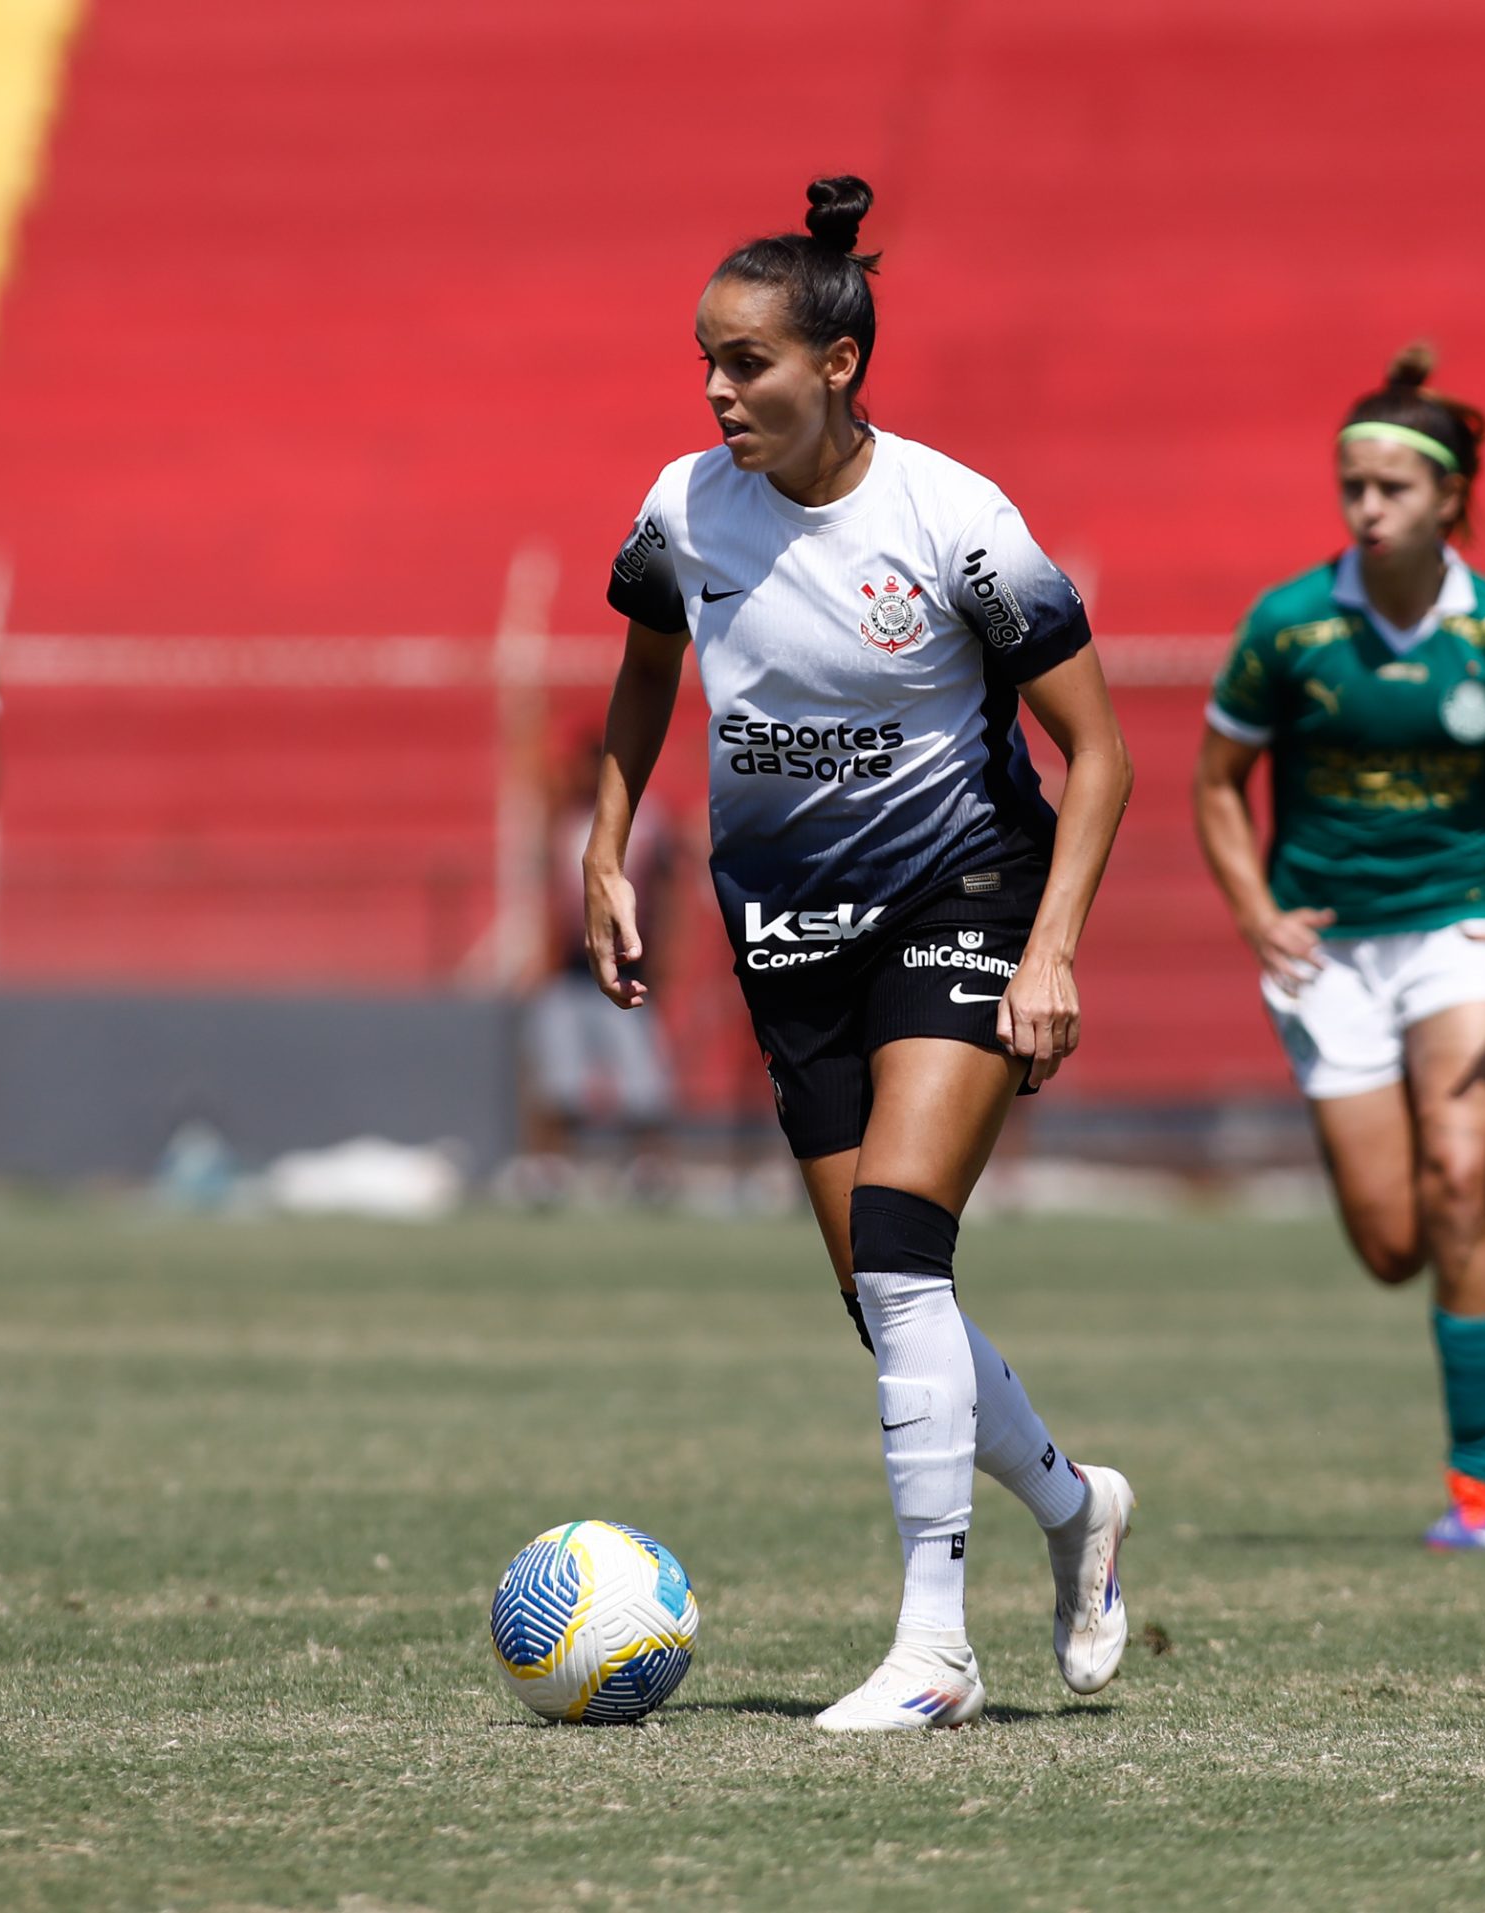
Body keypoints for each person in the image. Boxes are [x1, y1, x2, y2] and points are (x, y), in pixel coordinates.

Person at [589, 178, 1137, 1731]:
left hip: (962, 894)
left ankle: (934, 1653)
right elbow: (641, 676)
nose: (715, 389)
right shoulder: (683, 507)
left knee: (902, 1245)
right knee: (884, 1298)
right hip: (789, 935)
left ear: (837, 363)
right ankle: (1075, 1505)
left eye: (746, 361)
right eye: (704, 360)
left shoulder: (960, 523)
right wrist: (601, 846)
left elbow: (1099, 756)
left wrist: (1050, 955)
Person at [1192, 344, 1485, 1551]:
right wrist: (1256, 910)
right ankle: (1440, 1286)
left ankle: (1479, 1494)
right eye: (1352, 487)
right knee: (1392, 1243)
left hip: (1463, 929)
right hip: (1329, 954)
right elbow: (1216, 784)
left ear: (1448, 498)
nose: (1366, 509)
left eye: (1392, 489)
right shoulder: (1290, 625)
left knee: (1462, 1185)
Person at [514, 730, 677, 1203]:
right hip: (569, 967)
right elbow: (548, 898)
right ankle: (550, 1167)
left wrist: (665, 956)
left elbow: (666, 893)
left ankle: (651, 1167)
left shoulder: (646, 823)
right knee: (557, 1075)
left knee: (640, 1078)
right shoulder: (562, 822)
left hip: (628, 964)